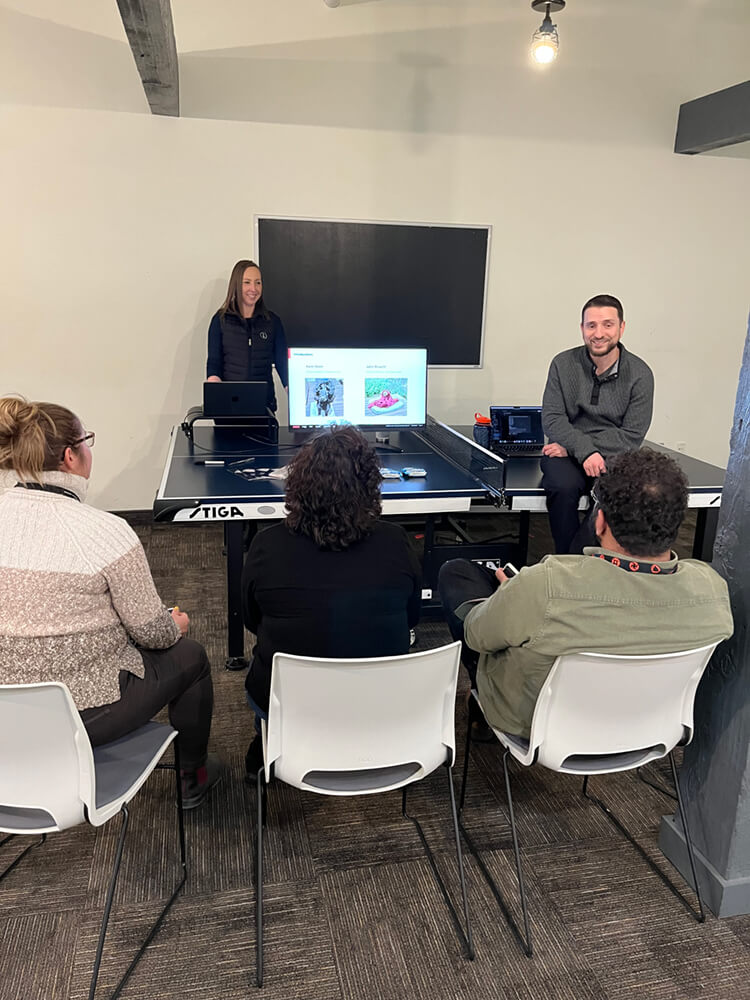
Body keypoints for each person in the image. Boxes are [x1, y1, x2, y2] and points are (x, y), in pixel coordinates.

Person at [0, 396, 219, 809]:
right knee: (190, 657)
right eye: (87, 441)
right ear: (70, 457)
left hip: (4, 723)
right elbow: (152, 634)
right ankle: (193, 777)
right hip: (84, 714)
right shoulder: (106, 532)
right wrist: (174, 626)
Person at [439, 449, 733, 740]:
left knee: (459, 577)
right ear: (676, 523)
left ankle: (483, 714)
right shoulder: (713, 589)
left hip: (533, 726)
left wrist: (508, 597)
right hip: (652, 726)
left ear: (600, 521)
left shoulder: (544, 584)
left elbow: (476, 635)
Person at [241, 425, 422, 777]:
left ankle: (267, 743)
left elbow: (252, 620)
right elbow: (411, 617)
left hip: (291, 704)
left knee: (262, 659)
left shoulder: (266, 546)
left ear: (297, 484)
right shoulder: (397, 542)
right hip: (382, 702)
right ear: (370, 485)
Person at [541, 294, 654, 553]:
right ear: (582, 328)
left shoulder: (641, 374)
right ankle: (567, 559)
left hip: (610, 454)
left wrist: (576, 448)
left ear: (621, 328)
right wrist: (584, 451)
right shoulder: (562, 364)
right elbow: (552, 418)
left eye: (607, 325)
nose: (599, 333)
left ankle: (576, 560)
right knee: (562, 487)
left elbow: (631, 435)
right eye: (591, 325)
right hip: (566, 452)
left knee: (614, 494)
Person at [205, 259, 288, 413]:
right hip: (229, 409)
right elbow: (214, 364)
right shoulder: (220, 320)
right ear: (236, 285)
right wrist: (215, 396)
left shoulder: (272, 322)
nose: (253, 289)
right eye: (247, 282)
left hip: (264, 409)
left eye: (258, 283)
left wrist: (294, 395)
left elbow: (283, 364)